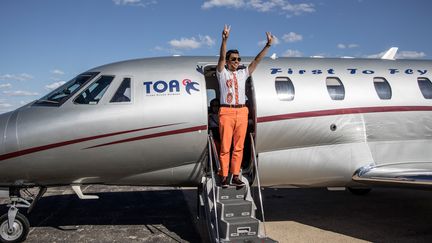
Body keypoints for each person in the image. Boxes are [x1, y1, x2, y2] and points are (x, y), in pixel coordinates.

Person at [217, 25, 273, 188]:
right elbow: (220, 57)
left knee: (239, 146)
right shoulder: (222, 73)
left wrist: (267, 46)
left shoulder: (243, 73)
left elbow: (256, 60)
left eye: (238, 59)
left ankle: (235, 175)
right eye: (233, 59)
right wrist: (224, 40)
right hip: (226, 111)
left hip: (242, 111)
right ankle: (224, 176)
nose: (237, 62)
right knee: (226, 146)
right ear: (228, 61)